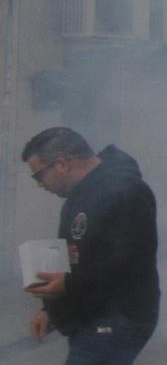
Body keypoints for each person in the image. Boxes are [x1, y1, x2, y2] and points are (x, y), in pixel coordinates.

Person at [22, 127, 160, 364]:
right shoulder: (76, 195)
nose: (40, 185)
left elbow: (130, 262)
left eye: (39, 175)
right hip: (90, 315)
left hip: (119, 318)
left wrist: (68, 283)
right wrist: (52, 309)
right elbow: (74, 257)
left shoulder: (126, 190)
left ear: (62, 163)